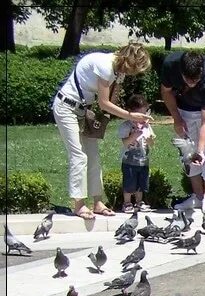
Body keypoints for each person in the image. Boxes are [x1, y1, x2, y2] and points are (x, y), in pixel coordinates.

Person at [51, 42, 152, 219]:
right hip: (66, 107)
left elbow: (111, 100)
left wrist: (121, 110)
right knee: (78, 155)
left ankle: (97, 202)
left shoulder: (116, 70)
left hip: (82, 111)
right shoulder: (105, 66)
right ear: (130, 62)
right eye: (135, 69)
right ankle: (79, 204)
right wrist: (131, 116)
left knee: (94, 156)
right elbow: (104, 103)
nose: (134, 74)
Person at [160, 50, 205, 215]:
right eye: (187, 80)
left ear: (201, 72)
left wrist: (201, 151)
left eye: (195, 80)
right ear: (181, 72)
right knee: (188, 150)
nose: (191, 84)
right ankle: (197, 196)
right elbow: (166, 92)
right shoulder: (170, 65)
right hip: (185, 107)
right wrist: (176, 118)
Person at [117, 94, 155, 213]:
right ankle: (127, 202)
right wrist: (134, 135)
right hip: (129, 160)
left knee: (141, 183)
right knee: (129, 182)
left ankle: (139, 202)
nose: (142, 119)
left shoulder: (147, 127)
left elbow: (152, 143)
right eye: (140, 115)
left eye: (145, 114)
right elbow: (125, 142)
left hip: (143, 160)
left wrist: (150, 139)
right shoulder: (126, 126)